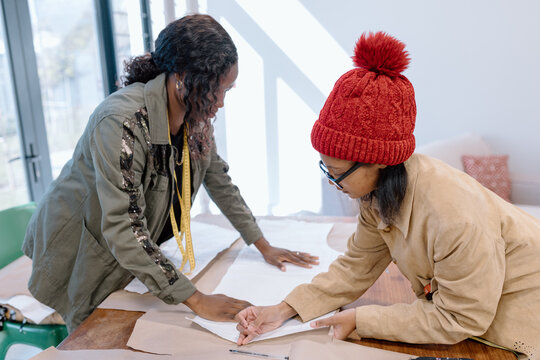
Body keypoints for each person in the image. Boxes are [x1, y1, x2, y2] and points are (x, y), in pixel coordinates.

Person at [235, 32, 540, 359]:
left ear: (379, 160)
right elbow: (356, 267)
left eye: (338, 173)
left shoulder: (455, 216)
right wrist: (283, 309)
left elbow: (460, 316)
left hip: (520, 327)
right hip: (476, 321)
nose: (332, 183)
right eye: (326, 169)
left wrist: (361, 319)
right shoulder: (381, 194)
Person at [22, 14, 318, 333]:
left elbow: (218, 179)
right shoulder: (122, 123)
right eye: (214, 90)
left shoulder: (194, 113)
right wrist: (196, 299)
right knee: (94, 334)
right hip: (82, 247)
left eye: (227, 90)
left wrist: (262, 244)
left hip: (126, 248)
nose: (220, 101)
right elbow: (123, 226)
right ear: (181, 77)